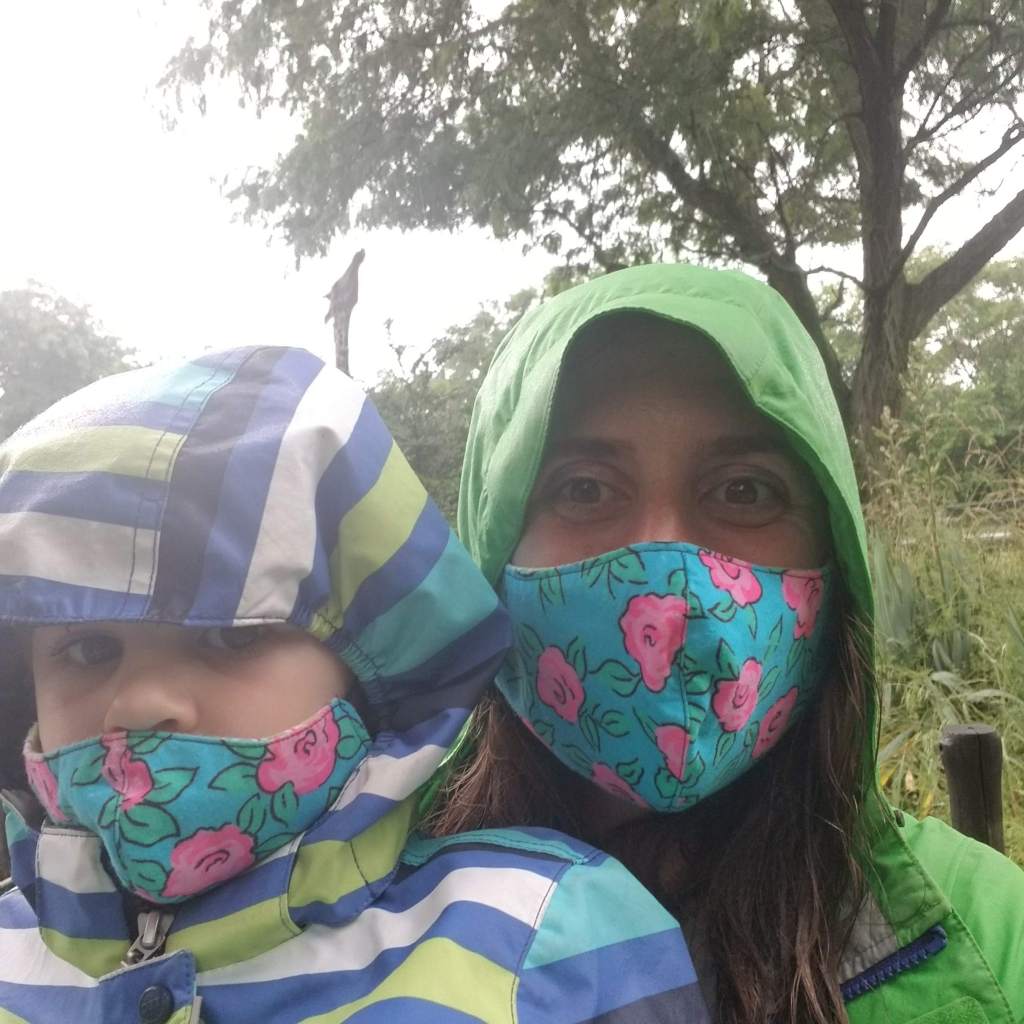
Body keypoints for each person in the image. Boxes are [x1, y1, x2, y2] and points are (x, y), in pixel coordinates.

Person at [0, 346, 709, 1022]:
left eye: (232, 636)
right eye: (88, 649)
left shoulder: (547, 931)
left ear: (372, 664)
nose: (138, 703)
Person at [433, 264, 1024, 1024]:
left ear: (835, 553)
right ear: (491, 551)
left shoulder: (990, 946)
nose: (667, 571)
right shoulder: (347, 926)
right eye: (584, 489)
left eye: (744, 490)